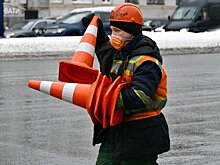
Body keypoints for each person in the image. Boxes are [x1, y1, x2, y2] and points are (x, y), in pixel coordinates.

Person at [82, 3, 170, 165]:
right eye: (112, 30)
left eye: (117, 31)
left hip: (141, 135)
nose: (113, 35)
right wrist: (98, 33)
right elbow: (105, 54)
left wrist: (107, 99)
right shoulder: (120, 51)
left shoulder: (147, 61)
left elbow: (141, 96)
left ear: (131, 32)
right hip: (115, 131)